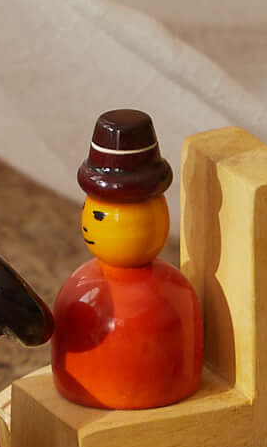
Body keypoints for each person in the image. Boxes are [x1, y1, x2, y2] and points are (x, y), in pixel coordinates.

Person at [49, 110, 204, 410]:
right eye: (89, 210)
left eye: (99, 216)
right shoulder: (82, 288)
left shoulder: (173, 294)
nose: (87, 225)